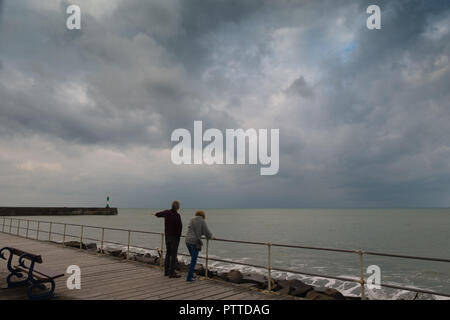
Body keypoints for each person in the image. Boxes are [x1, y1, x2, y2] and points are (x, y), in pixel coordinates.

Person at [154, 200, 182, 278]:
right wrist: (179, 236)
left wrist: (155, 214)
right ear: (178, 207)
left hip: (167, 237)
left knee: (168, 253)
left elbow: (159, 214)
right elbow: (180, 227)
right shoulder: (177, 215)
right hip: (174, 238)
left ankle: (166, 271)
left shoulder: (166, 212)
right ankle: (172, 273)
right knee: (173, 255)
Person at [185, 210, 215, 282]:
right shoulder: (202, 221)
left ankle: (191, 275)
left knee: (193, 259)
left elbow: (189, 229)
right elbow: (207, 232)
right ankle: (189, 278)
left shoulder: (191, 220)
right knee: (193, 260)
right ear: (203, 215)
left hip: (187, 241)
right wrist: (212, 237)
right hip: (194, 242)